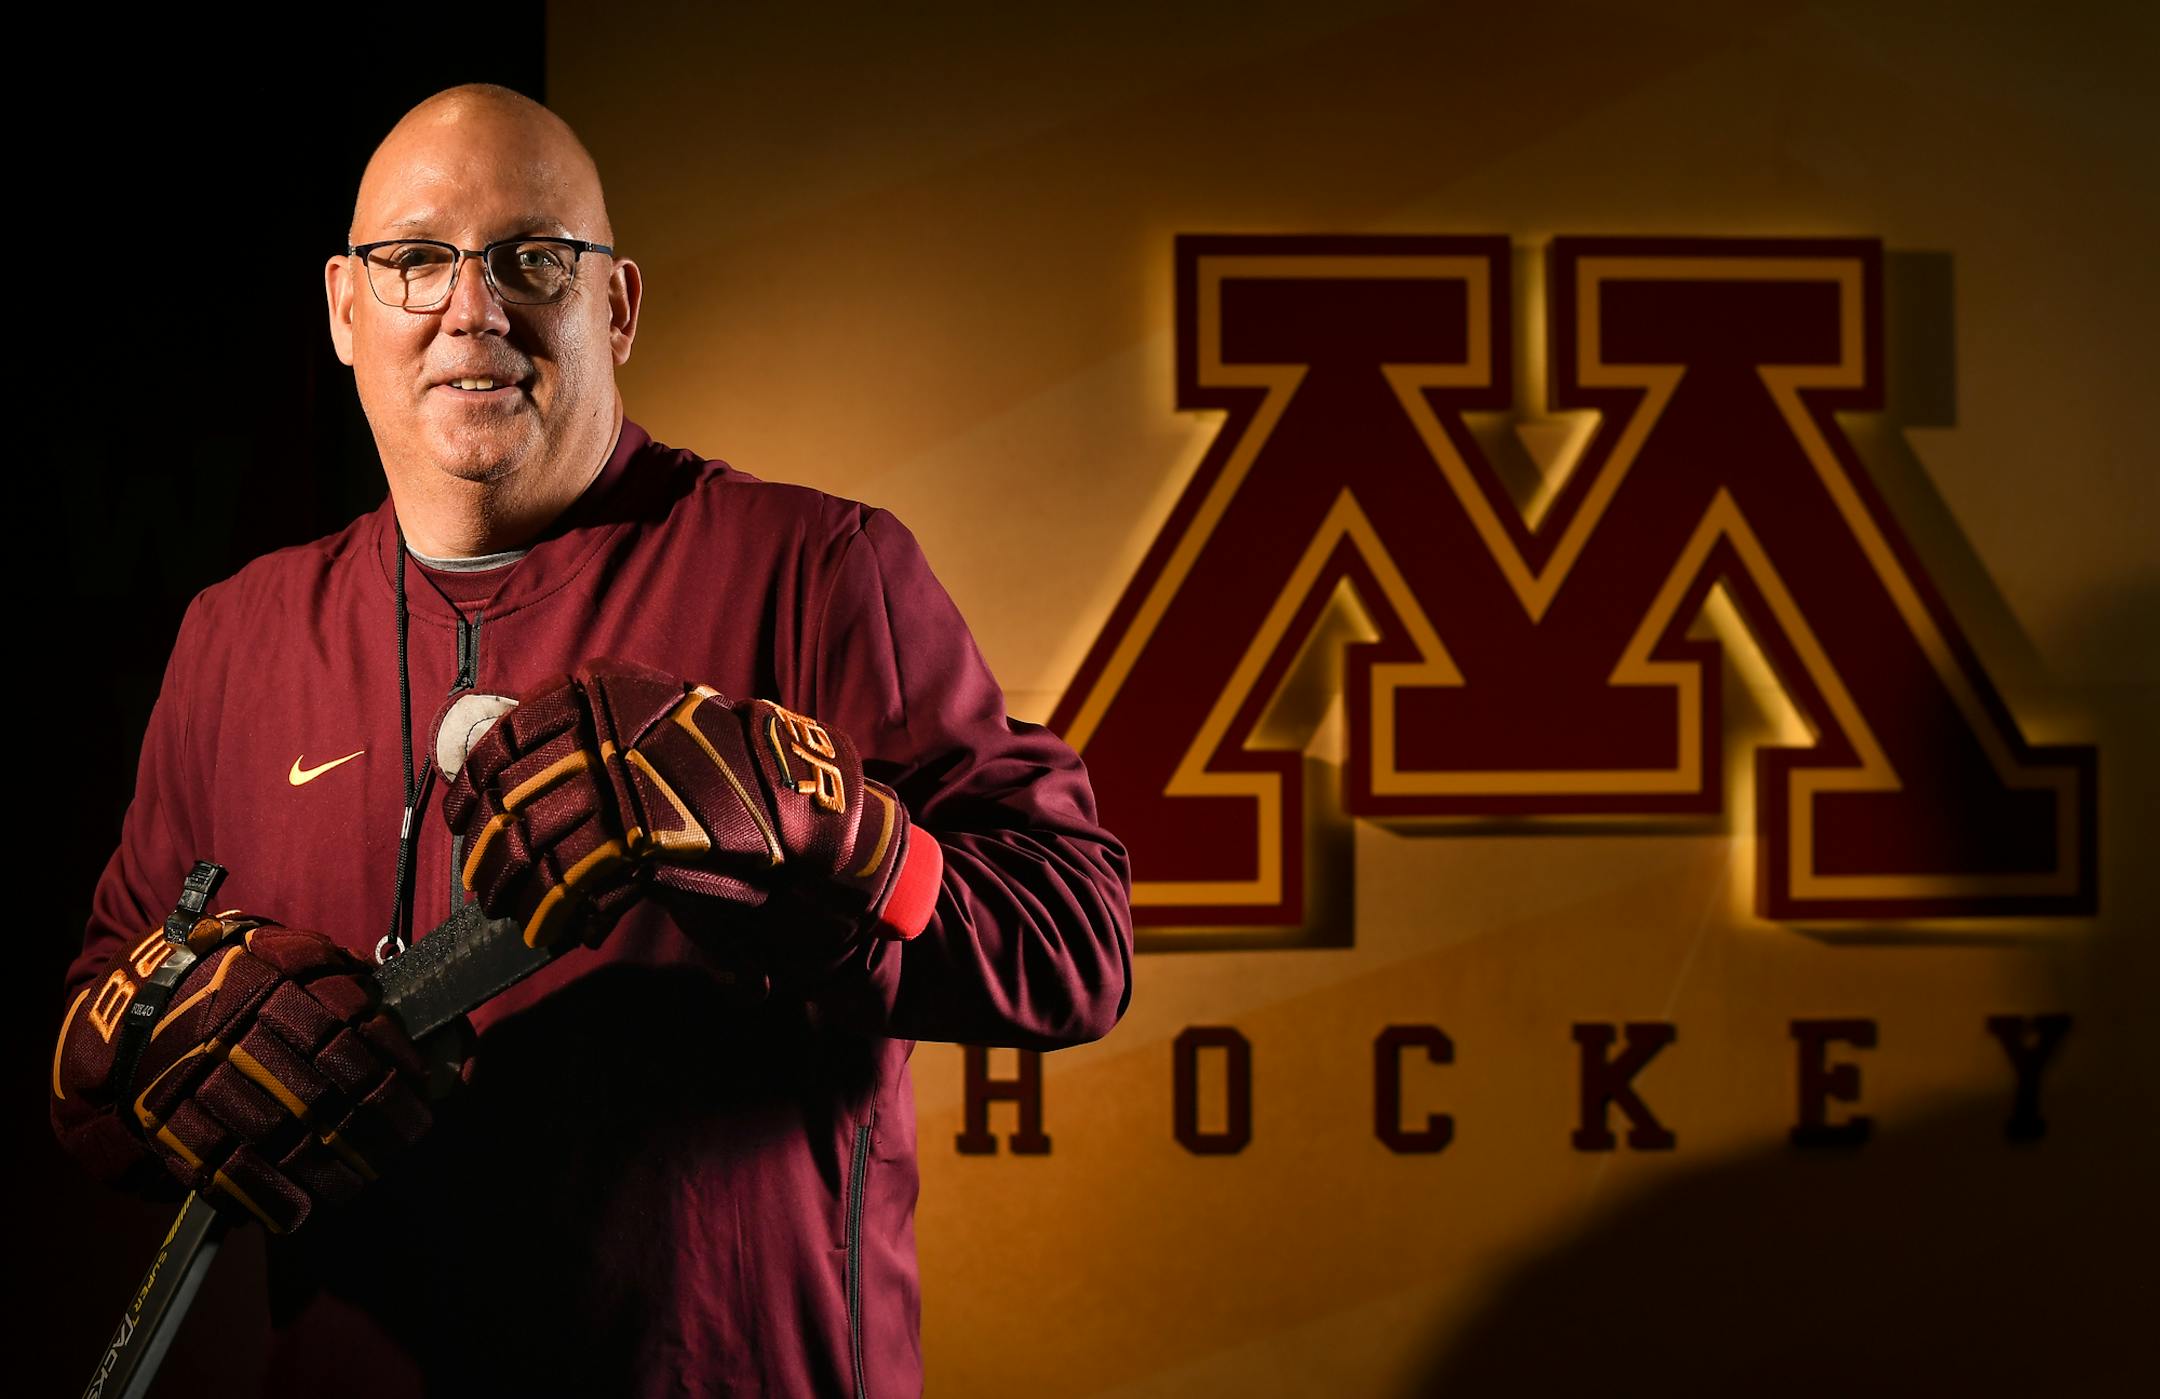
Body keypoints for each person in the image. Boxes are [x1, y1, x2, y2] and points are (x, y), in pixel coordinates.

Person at [50, 83, 1133, 1397]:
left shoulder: (818, 567)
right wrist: (170, 1038)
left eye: (533, 260)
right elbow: (99, 1031)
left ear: (615, 304)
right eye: (415, 261)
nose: (473, 308)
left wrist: (830, 839)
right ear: (345, 309)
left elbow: (1074, 940)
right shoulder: (237, 636)